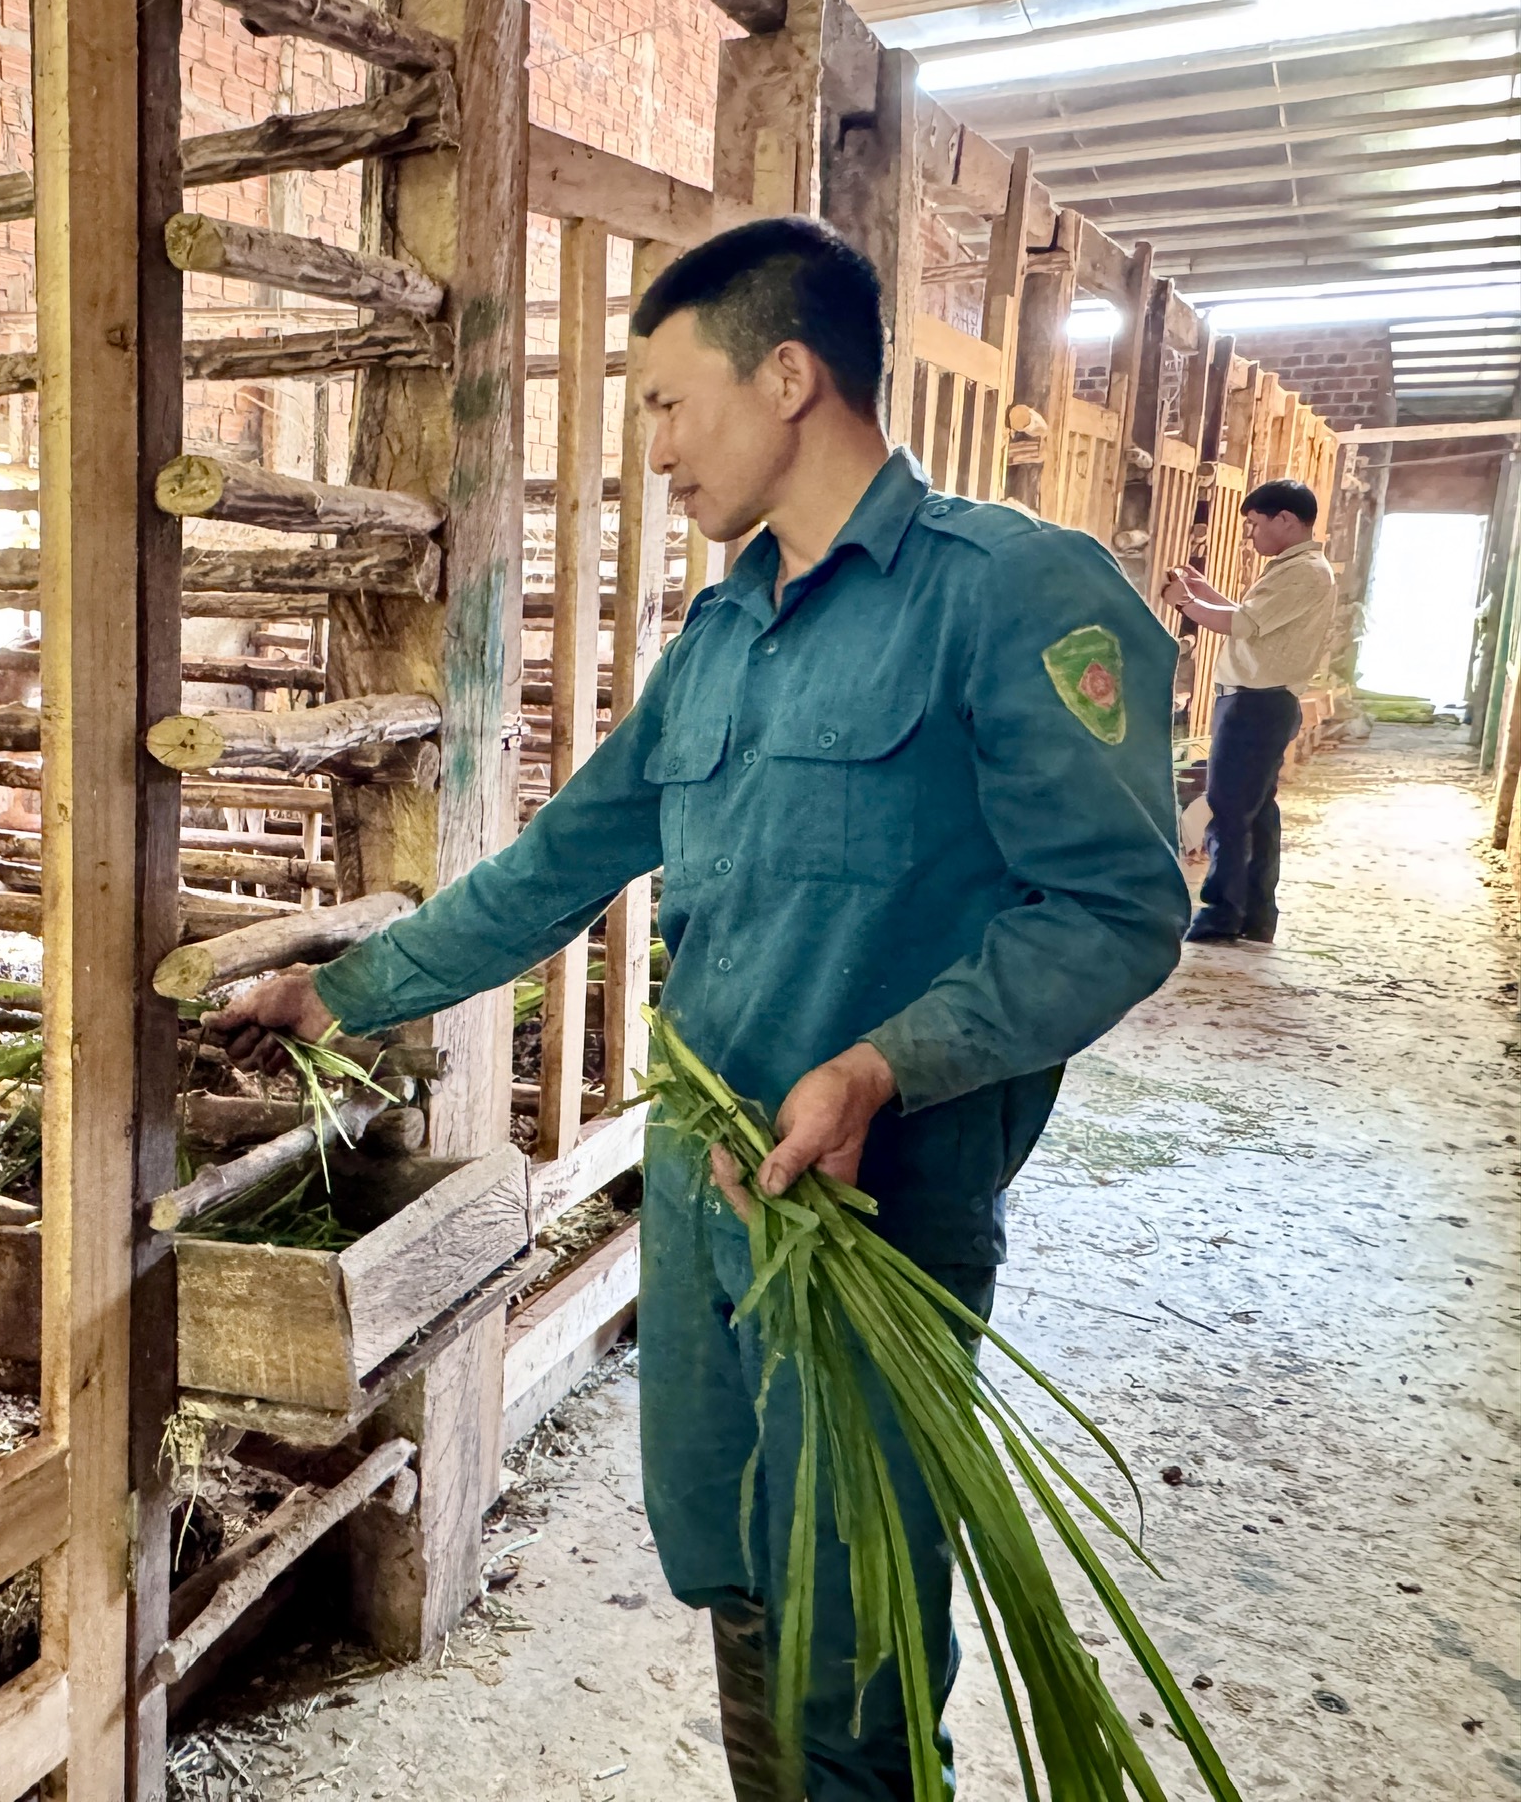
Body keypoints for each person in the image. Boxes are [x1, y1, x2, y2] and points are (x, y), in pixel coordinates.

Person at [206, 216, 1189, 1801]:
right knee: (735, 1567)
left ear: (789, 375)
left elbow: (1120, 911)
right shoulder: (723, 635)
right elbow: (561, 865)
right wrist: (344, 994)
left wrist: (883, 1067)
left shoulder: (1008, 595)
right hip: (704, 1194)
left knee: (854, 1625)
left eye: (668, 402)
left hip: (870, 1220)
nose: (649, 449)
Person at [1162, 482, 1338, 946]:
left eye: (1255, 524)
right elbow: (1251, 621)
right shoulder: (1297, 569)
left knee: (1229, 810)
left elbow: (1237, 625)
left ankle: (1221, 917)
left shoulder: (1304, 573)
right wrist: (1203, 592)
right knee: (1256, 813)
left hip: (1255, 702)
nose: (1251, 535)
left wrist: (1182, 601)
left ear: (1285, 519)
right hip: (1259, 700)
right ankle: (1256, 917)